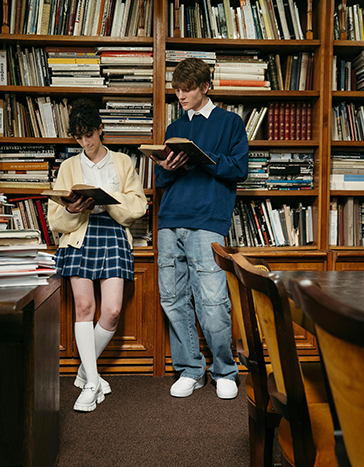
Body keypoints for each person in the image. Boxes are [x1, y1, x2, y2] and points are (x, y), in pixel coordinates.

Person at [152, 58, 249, 399]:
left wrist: (201, 158)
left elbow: (239, 169)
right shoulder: (174, 127)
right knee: (173, 298)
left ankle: (224, 370)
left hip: (208, 219)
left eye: (187, 89)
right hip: (170, 219)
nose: (181, 95)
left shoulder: (230, 123)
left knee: (211, 300)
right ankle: (190, 369)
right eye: (177, 90)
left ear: (205, 87)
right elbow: (162, 180)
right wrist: (166, 166)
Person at [48, 99, 148, 412]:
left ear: (100, 129)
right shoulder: (68, 167)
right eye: (79, 137)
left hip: (114, 234)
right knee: (84, 306)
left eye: (89, 134)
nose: (86, 142)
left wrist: (109, 200)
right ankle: (92, 383)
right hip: (81, 235)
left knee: (113, 310)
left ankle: (83, 370)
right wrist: (73, 208)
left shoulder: (122, 162)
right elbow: (55, 220)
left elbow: (137, 208)